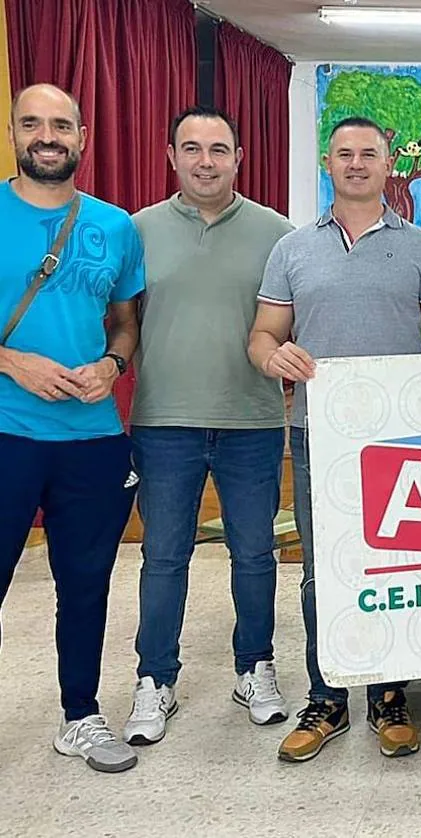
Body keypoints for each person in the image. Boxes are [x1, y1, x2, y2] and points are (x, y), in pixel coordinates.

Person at [249, 116, 421, 763]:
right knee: (322, 573)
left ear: (389, 165)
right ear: (328, 165)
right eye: (345, 154)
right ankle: (327, 696)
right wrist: (271, 357)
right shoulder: (292, 249)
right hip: (318, 435)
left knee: (395, 567)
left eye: (369, 154)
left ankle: (391, 696)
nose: (357, 163)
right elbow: (261, 336)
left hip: (401, 442)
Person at [122, 106, 295, 746]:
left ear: (238, 157)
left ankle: (255, 667)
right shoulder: (135, 231)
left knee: (255, 555)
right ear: (171, 156)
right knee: (164, 556)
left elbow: (290, 325)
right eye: (191, 149)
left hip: (250, 422)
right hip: (164, 422)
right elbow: (122, 320)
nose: (205, 161)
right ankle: (155, 679)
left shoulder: (277, 234)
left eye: (218, 149)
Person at [0, 84, 144, 772]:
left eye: (61, 124)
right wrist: (10, 360)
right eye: (33, 123)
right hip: (5, 431)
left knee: (85, 584)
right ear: (14, 133)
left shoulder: (114, 226)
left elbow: (124, 320)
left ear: (82, 138)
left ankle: (81, 715)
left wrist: (113, 363)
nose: (47, 135)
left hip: (91, 437)